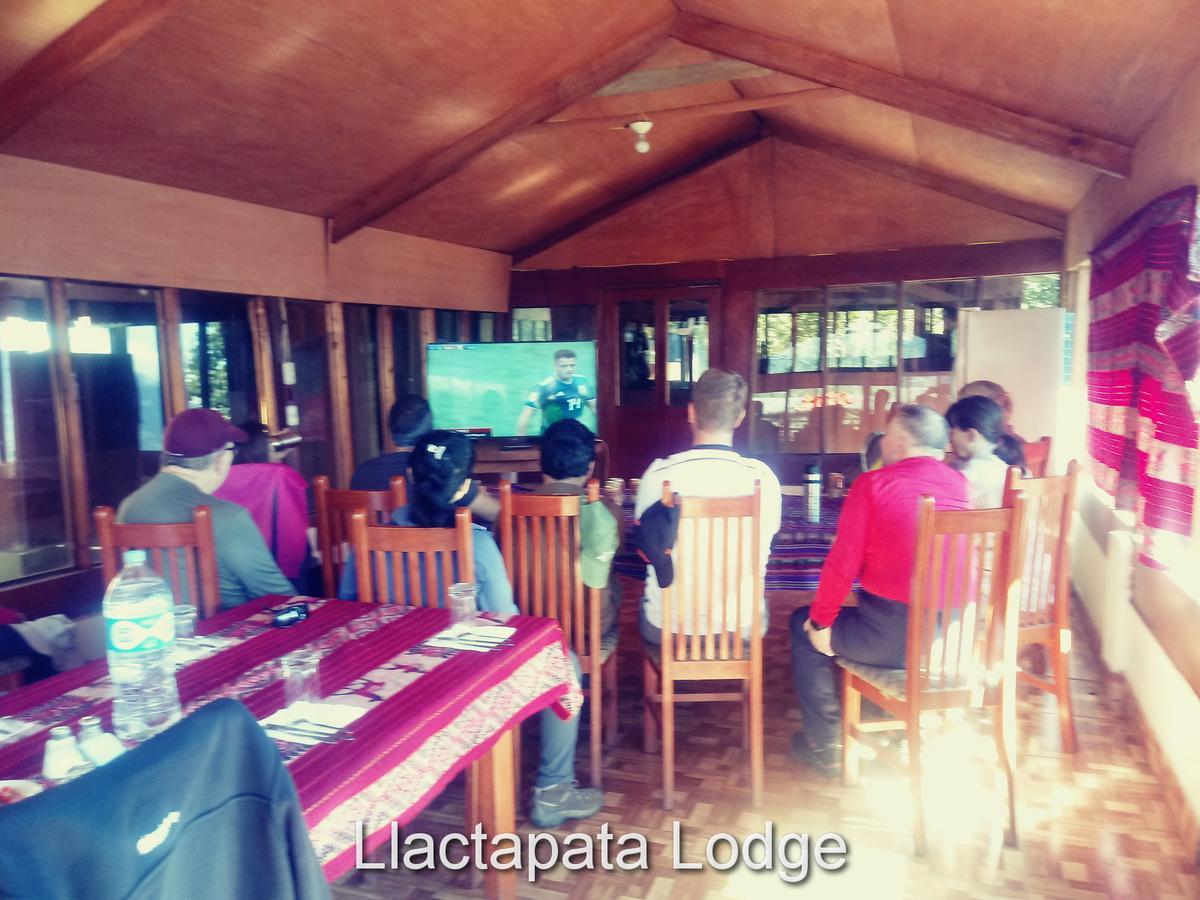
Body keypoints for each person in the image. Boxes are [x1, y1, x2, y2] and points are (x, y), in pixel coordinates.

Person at [339, 431, 603, 828]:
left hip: (389, 678)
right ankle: (553, 789)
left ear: (410, 474)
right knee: (565, 663)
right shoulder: (476, 544)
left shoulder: (367, 537)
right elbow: (507, 622)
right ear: (465, 486)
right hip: (458, 680)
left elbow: (349, 607)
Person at [789, 404, 969, 775]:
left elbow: (842, 565)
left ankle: (826, 745)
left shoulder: (873, 484)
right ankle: (907, 732)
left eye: (886, 436)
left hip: (890, 637)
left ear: (900, 442)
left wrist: (821, 624)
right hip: (951, 642)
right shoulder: (960, 485)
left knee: (800, 624)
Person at [633, 369, 782, 643]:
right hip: (740, 627)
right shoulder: (763, 479)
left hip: (667, 627)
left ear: (691, 412)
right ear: (740, 418)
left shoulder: (657, 476)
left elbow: (644, 546)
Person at [117, 408, 294, 610]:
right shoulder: (228, 517)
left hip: (150, 634)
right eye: (231, 450)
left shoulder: (128, 507)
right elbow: (280, 599)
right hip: (224, 636)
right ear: (220, 460)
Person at [533, 419, 620, 639]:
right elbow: (614, 555)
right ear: (591, 467)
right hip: (590, 627)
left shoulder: (509, 513)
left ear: (539, 460)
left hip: (532, 626)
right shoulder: (606, 511)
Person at [351, 395, 499, 523]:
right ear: (431, 429)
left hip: (371, 553)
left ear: (390, 428)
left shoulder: (360, 474)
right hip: (434, 553)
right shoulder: (441, 471)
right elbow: (495, 513)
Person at [212, 422, 310, 586]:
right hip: (278, 569)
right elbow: (294, 528)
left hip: (227, 569)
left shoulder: (218, 478)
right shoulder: (281, 474)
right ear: (263, 445)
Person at [945, 395, 1011, 509]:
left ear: (971, 435)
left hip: (977, 526)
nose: (949, 440)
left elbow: (944, 502)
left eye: (952, 433)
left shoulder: (971, 472)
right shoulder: (1002, 466)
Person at [515, 348, 596, 436]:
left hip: (576, 435)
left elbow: (594, 407)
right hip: (552, 437)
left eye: (572, 365)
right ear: (555, 365)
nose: (569, 369)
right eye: (564, 366)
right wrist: (520, 439)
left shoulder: (583, 382)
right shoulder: (543, 387)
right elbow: (526, 415)